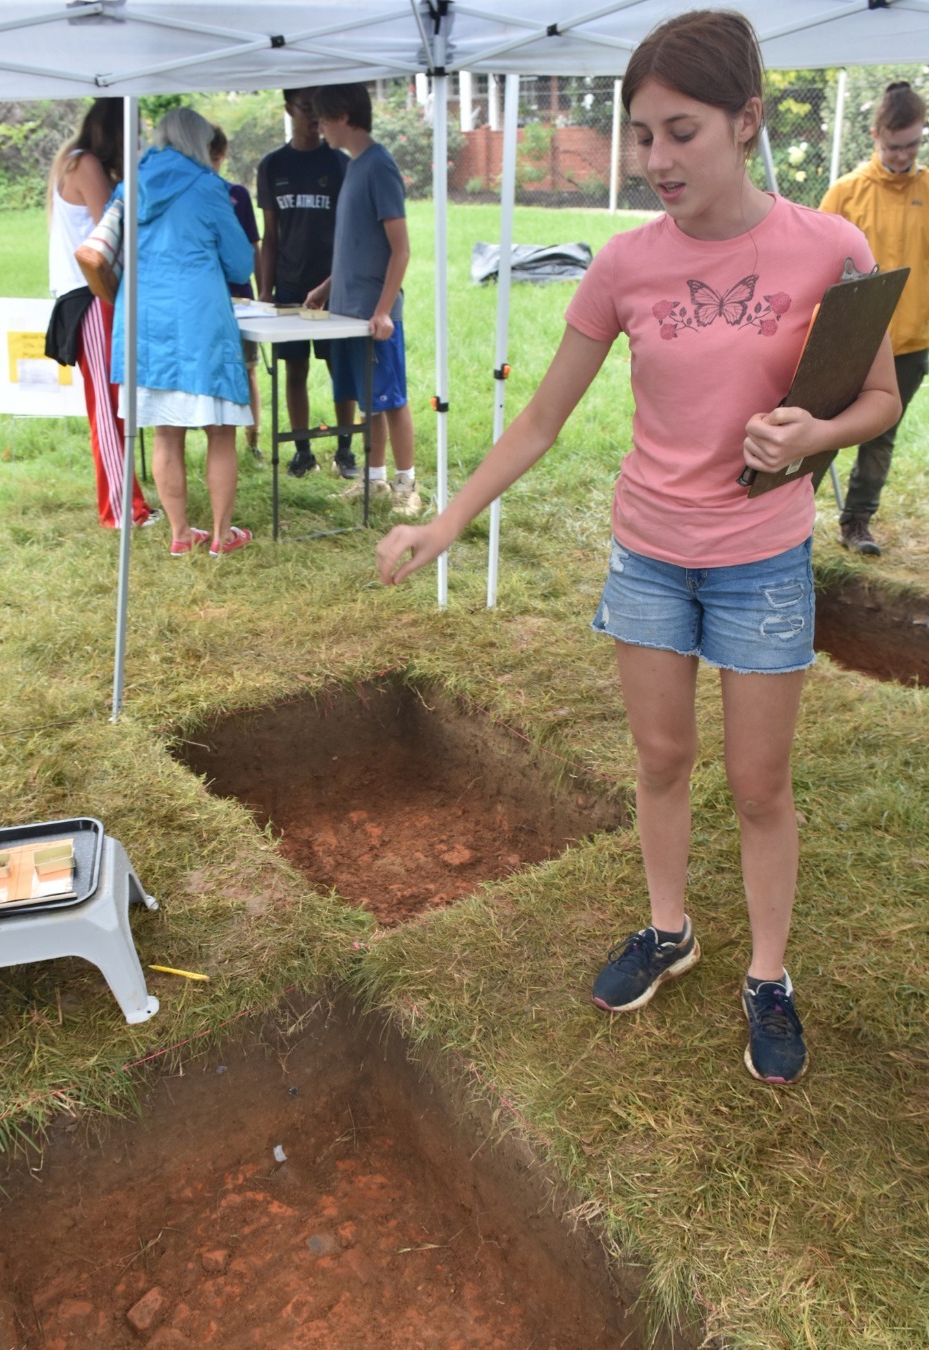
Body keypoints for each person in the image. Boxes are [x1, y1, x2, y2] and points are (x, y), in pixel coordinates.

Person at [376, 11, 901, 1084]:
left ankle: (768, 976)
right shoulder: (623, 264)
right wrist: (447, 518)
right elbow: (540, 421)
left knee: (761, 786)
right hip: (649, 555)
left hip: (762, 559)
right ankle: (670, 929)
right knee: (660, 761)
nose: (653, 160)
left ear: (748, 122)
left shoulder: (832, 248)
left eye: (680, 132)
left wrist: (818, 432)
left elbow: (882, 399)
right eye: (640, 134)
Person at [111, 107, 255, 558]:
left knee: (165, 433)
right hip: (199, 322)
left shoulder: (129, 184)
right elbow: (240, 264)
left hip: (142, 320)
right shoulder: (210, 188)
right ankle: (220, 536)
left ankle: (179, 534)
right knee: (221, 431)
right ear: (200, 141)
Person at [819, 82, 929, 556]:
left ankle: (857, 522)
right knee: (818, 430)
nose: (903, 155)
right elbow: (813, 265)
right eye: (893, 145)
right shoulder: (846, 193)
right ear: (874, 135)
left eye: (913, 144)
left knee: (880, 436)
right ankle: (780, 515)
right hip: (849, 342)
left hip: (908, 343)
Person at [306, 84, 421, 517]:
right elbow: (359, 246)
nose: (318, 128)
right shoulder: (356, 167)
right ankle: (373, 482)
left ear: (342, 114)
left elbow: (400, 248)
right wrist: (326, 287)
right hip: (348, 314)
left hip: (376, 318)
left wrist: (383, 310)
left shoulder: (379, 166)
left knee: (391, 400)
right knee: (368, 401)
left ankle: (407, 485)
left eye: (321, 118)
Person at [47, 98, 158, 530]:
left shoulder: (76, 161)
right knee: (109, 411)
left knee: (115, 405)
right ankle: (121, 511)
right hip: (90, 298)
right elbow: (113, 227)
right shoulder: (85, 164)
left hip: (93, 296)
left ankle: (131, 504)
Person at [256, 88, 358, 480]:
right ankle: (302, 451)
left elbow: (351, 233)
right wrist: (265, 291)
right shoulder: (272, 166)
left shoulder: (338, 163)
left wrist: (336, 282)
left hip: (333, 287)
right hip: (290, 287)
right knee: (293, 370)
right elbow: (270, 234)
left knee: (339, 368)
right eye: (305, 108)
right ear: (288, 109)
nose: (313, 117)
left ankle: (346, 448)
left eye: (319, 108)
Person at [207, 124, 264, 466]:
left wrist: (263, 292)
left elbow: (253, 248)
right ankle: (218, 441)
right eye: (206, 156)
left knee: (248, 370)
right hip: (205, 299)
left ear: (223, 155)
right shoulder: (193, 195)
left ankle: (253, 440)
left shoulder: (238, 195)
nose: (211, 163)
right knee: (213, 370)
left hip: (241, 298)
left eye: (216, 156)